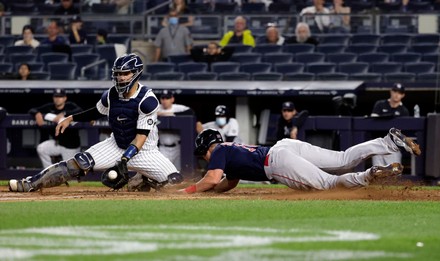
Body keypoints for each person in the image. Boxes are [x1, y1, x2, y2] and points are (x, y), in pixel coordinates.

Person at [9, 53, 183, 193]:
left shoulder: (148, 100)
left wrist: (124, 160)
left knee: (175, 182)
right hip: (116, 145)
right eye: (118, 74)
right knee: (78, 163)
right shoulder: (111, 94)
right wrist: (71, 118)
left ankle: (142, 178)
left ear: (136, 73)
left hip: (145, 151)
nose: (121, 78)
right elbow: (97, 111)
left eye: (125, 73)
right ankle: (29, 183)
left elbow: (140, 138)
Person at [178, 127, 421, 194]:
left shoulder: (219, 149)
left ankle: (368, 175)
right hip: (284, 146)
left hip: (276, 162)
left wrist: (188, 190)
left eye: (203, 154)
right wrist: (210, 191)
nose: (205, 158)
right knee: (343, 158)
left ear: (208, 147)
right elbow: (227, 183)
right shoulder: (230, 152)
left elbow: (210, 179)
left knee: (328, 184)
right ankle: (388, 142)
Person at [28, 88, 82, 169]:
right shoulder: (50, 107)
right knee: (41, 148)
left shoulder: (70, 106)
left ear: (65, 98)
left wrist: (64, 113)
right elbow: (32, 109)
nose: (58, 99)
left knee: (70, 172)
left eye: (60, 97)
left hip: (71, 145)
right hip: (58, 143)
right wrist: (37, 113)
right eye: (56, 96)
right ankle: (49, 172)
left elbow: (80, 110)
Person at [370, 83, 410, 166]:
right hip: (378, 146)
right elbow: (372, 122)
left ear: (403, 95)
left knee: (393, 175)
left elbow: (404, 132)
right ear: (391, 92)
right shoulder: (380, 105)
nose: (396, 95)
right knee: (377, 175)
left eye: (399, 93)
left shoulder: (404, 111)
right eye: (395, 91)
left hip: (393, 148)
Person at [157, 90, 195, 170]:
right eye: (163, 98)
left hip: (177, 147)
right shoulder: (156, 108)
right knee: (162, 170)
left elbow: (191, 112)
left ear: (172, 99)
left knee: (178, 170)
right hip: (163, 147)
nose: (164, 100)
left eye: (167, 98)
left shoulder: (178, 108)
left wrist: (168, 114)